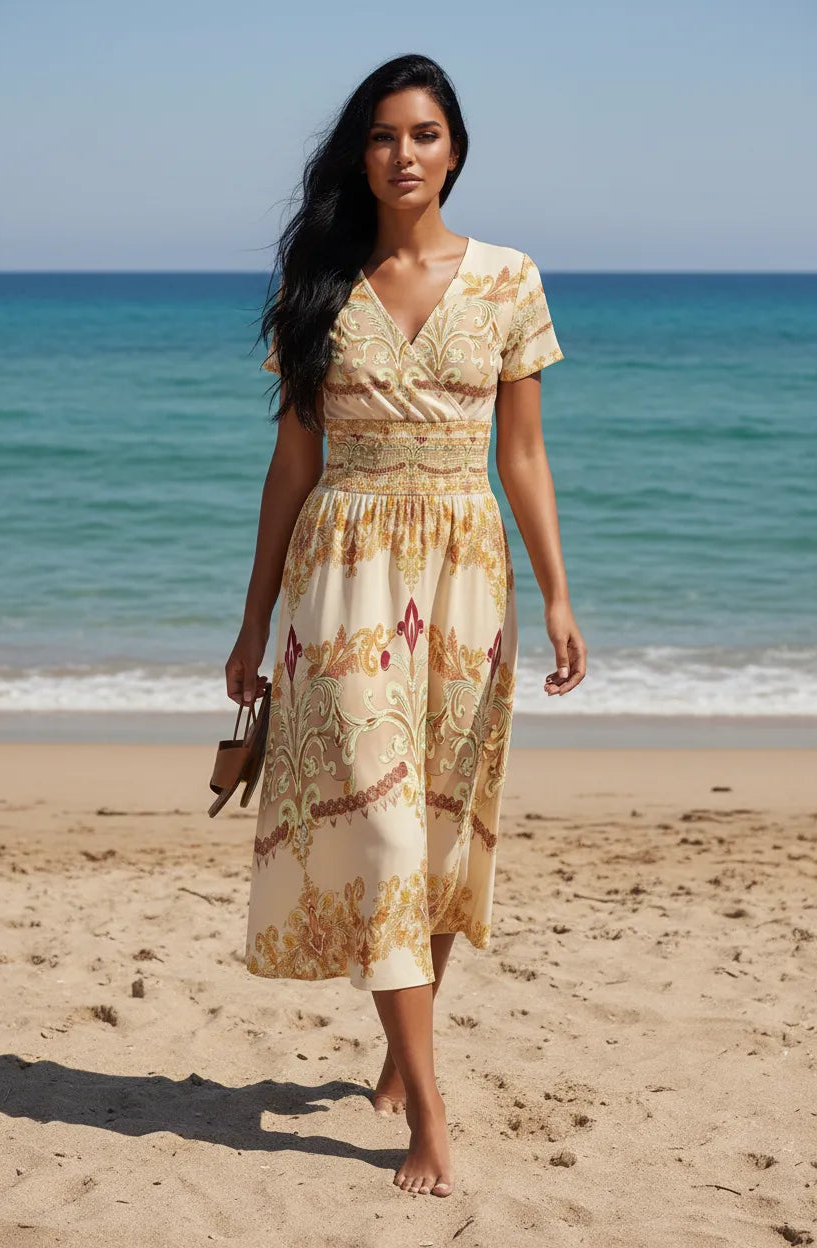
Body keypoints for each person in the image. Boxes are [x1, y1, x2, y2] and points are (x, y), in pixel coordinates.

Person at [226, 52, 587, 1199]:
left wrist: (560, 592)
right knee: (381, 834)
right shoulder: (318, 295)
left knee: (435, 828)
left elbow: (520, 455)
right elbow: (291, 469)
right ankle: (428, 1115)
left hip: (467, 574)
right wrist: (249, 625)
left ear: (455, 148)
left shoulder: (509, 279)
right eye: (384, 137)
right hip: (341, 575)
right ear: (360, 155)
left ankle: (398, 1048)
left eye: (424, 135)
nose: (404, 155)